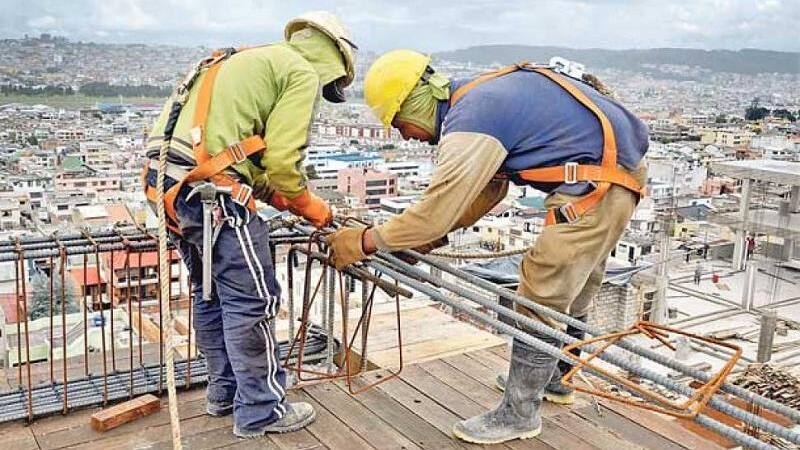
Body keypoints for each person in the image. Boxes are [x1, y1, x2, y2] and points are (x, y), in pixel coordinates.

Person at [326, 50, 649, 444]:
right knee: (575, 285)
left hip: (595, 185)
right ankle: (554, 379)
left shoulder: (470, 120)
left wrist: (364, 242)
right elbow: (488, 191)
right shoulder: (483, 99)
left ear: (415, 102)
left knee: (541, 291)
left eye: (399, 123)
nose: (405, 135)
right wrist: (430, 239)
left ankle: (519, 413)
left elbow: (436, 209)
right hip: (613, 175)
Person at [142, 11, 357, 438]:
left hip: (170, 185)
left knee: (212, 295)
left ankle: (223, 393)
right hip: (213, 195)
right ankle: (261, 410)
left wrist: (278, 194)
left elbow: (252, 164)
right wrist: (316, 211)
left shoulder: (250, 59)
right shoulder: (299, 72)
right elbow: (282, 164)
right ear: (334, 61)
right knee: (252, 301)